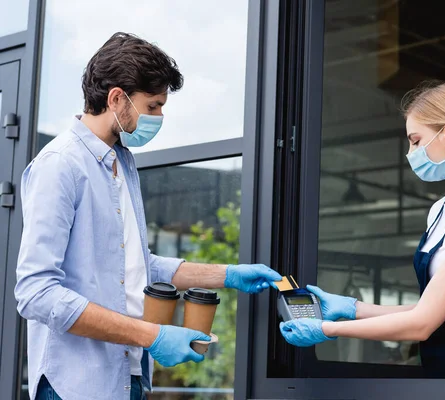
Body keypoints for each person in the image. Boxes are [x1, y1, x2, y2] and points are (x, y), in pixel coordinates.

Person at [14, 32, 282, 400]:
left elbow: (138, 265)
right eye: (153, 106)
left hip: (129, 378)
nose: (159, 116)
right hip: (76, 386)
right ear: (116, 98)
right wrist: (152, 336)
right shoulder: (60, 166)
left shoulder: (123, 163)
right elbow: (36, 293)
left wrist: (229, 275)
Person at [279, 82, 445, 379]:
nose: (410, 152)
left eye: (415, 140)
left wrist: (329, 329)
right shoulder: (440, 210)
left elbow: (422, 324)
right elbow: (430, 310)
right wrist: (352, 308)